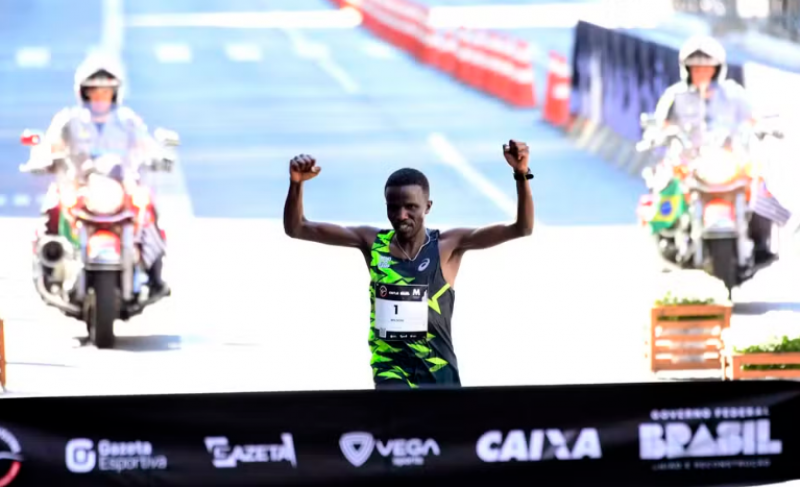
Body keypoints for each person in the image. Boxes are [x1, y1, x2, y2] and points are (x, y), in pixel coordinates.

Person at [283, 140, 534, 389]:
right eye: (394, 207)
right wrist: (296, 184)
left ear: (428, 207)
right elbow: (297, 228)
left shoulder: (447, 246)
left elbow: (522, 228)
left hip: (439, 374)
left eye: (411, 207)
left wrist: (521, 174)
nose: (401, 215)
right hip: (390, 373)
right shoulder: (372, 242)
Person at [28, 52, 170, 296]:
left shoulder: (127, 121)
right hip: (80, 187)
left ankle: (155, 276)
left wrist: (159, 157)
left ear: (114, 94)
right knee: (52, 208)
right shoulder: (70, 120)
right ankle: (49, 269)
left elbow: (146, 144)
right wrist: (41, 160)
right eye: (94, 90)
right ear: (84, 93)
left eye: (106, 91)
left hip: (120, 188)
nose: (100, 96)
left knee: (149, 210)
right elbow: (49, 145)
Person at [649, 35, 781, 261]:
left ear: (717, 69)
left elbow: (752, 118)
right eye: (696, 68)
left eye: (707, 68)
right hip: (689, 162)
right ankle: (668, 238)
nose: (702, 72)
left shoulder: (733, 94)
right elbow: (660, 125)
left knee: (760, 188)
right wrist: (661, 134)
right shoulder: (675, 96)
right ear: (687, 70)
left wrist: (762, 127)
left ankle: (762, 244)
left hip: (728, 160)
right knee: (665, 186)